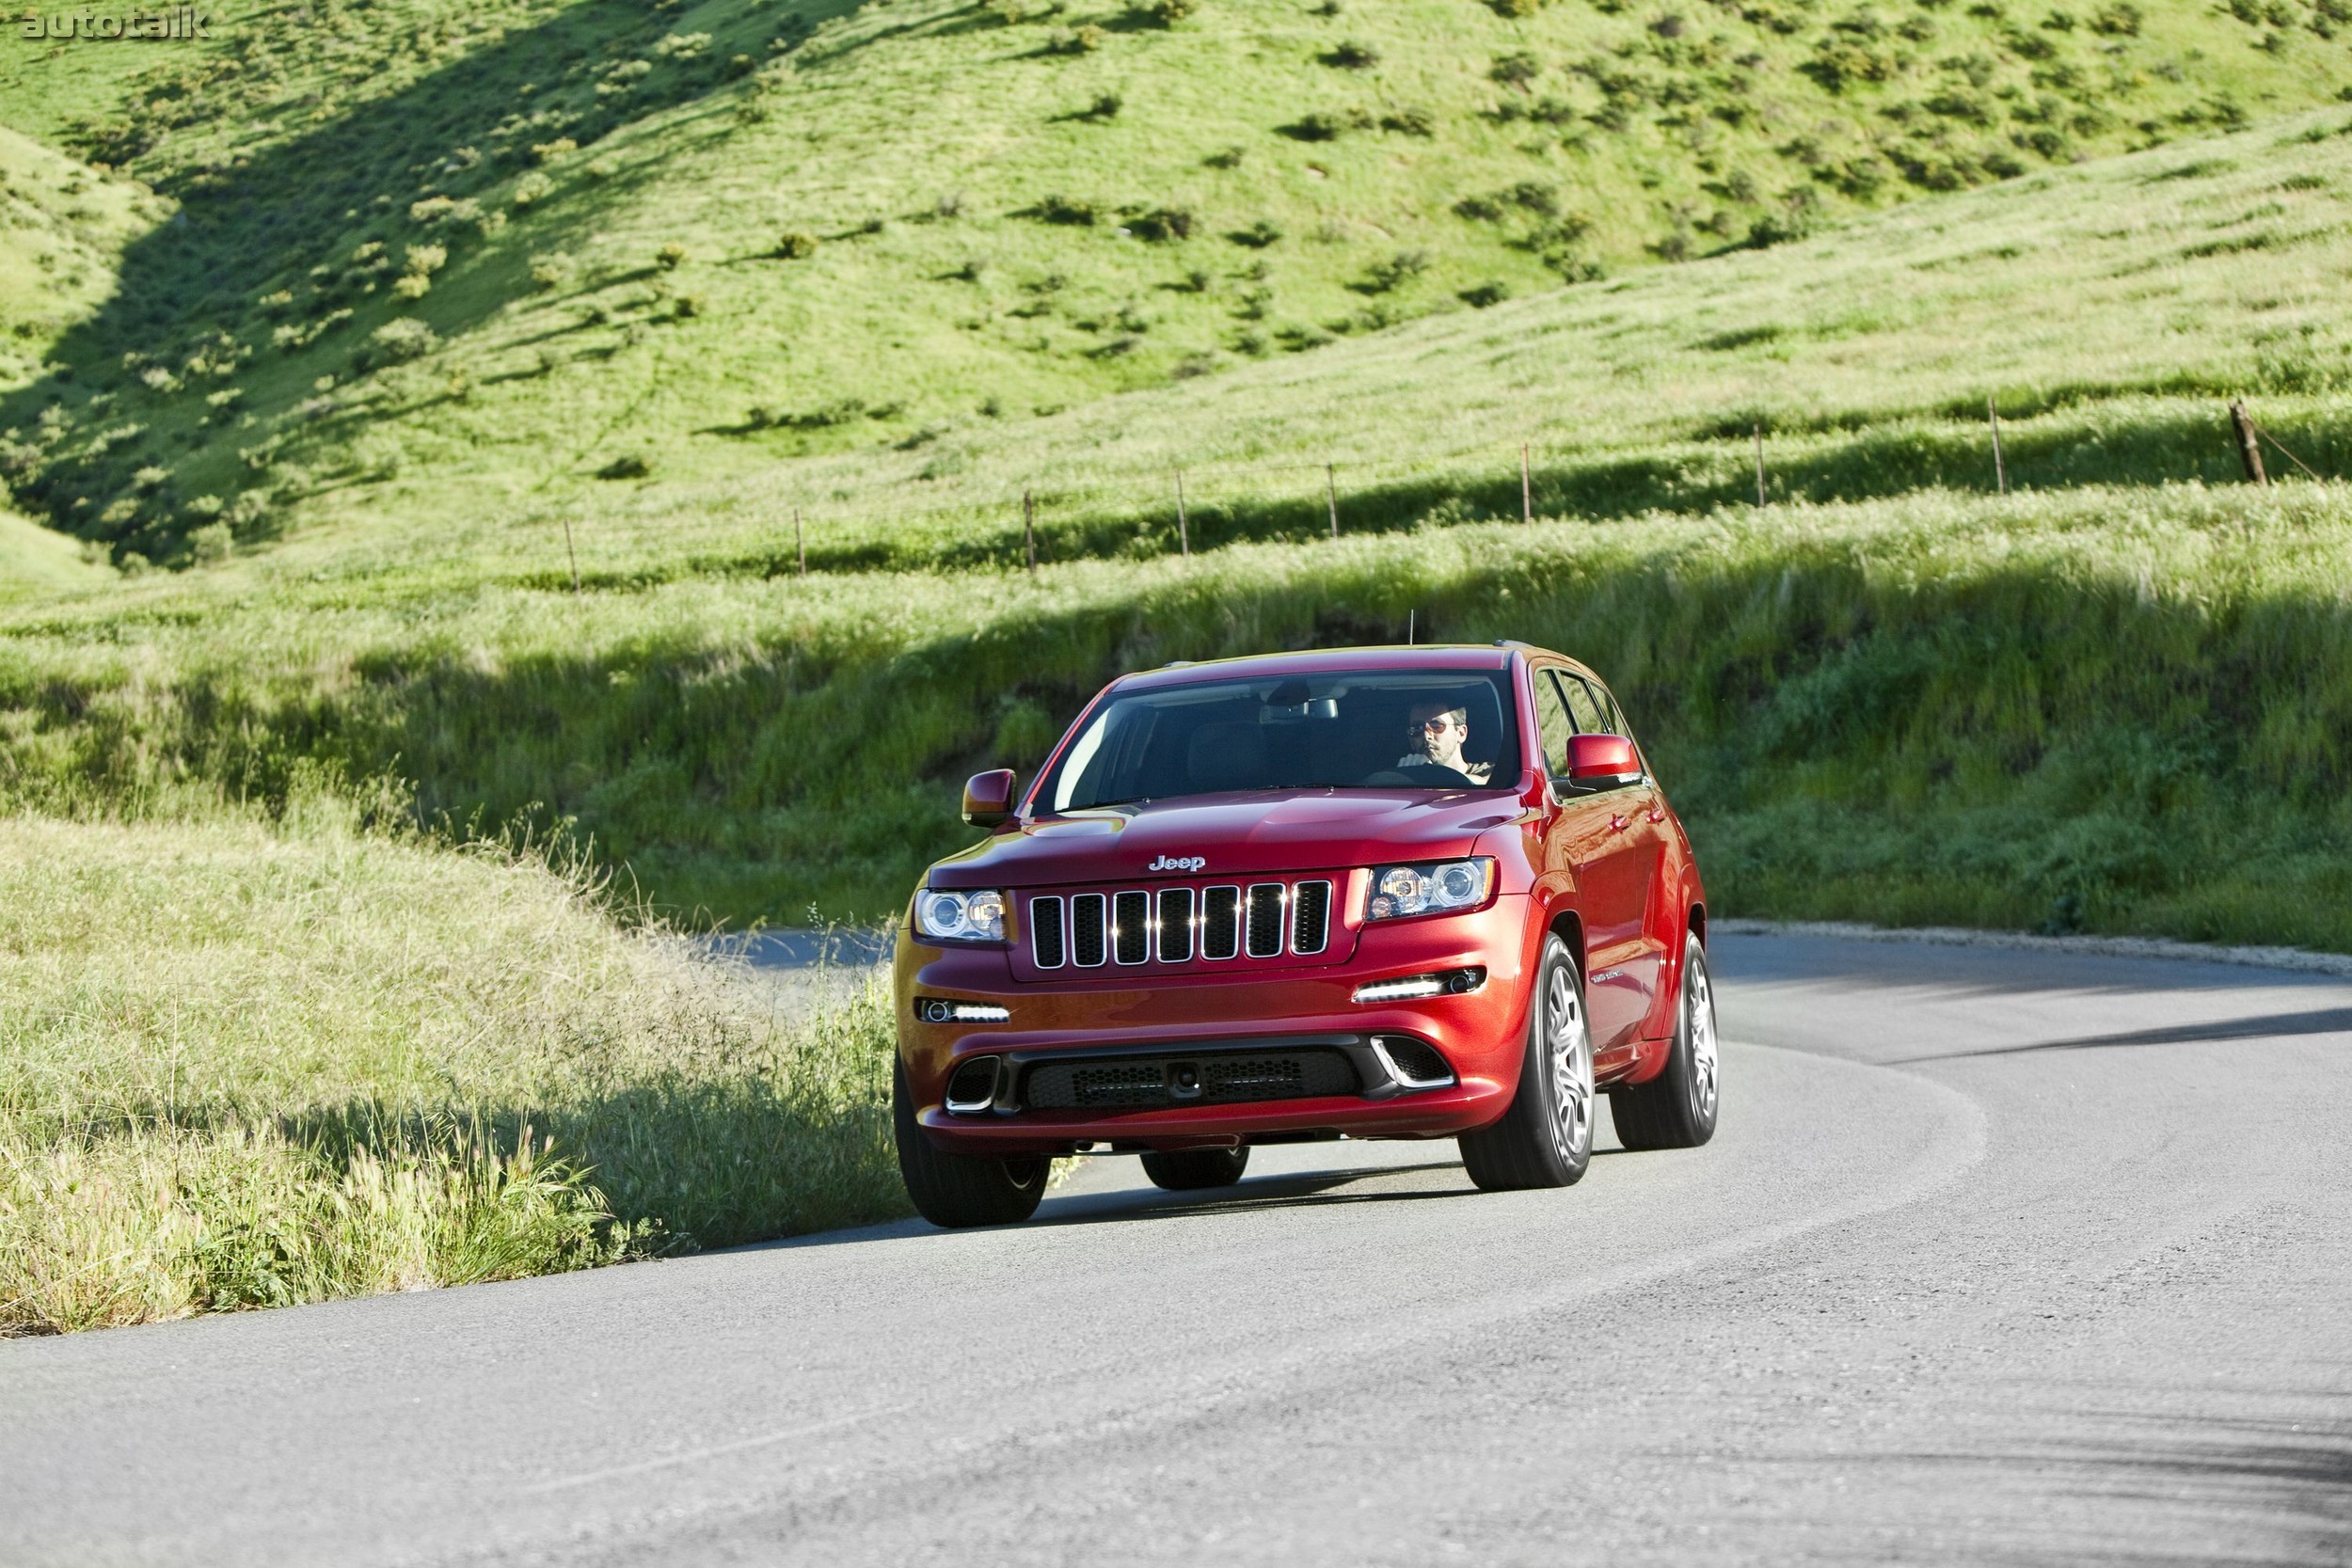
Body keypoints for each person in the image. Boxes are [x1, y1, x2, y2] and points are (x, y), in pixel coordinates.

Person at [1398, 699, 1491, 784]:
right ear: (1411, 739)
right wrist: (1401, 777)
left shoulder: (1488, 771)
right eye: (1417, 728)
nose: (1426, 736)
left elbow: (1486, 784)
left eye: (1436, 726)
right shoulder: (1395, 776)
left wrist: (1427, 775)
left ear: (1461, 733)